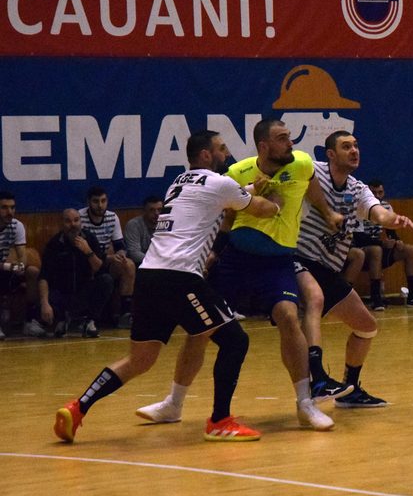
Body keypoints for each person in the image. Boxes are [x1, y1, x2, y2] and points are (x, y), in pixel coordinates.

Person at [53, 130, 281, 443]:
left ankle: (78, 407)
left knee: (140, 360)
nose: (227, 154)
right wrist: (277, 202)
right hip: (180, 277)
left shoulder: (178, 183)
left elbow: (224, 197)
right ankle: (220, 421)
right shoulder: (220, 184)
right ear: (205, 155)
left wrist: (253, 187)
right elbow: (257, 208)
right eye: (221, 148)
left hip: (149, 276)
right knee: (235, 341)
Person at [135, 119, 339, 431]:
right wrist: (214, 252)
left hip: (276, 262)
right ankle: (173, 403)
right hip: (237, 260)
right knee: (200, 329)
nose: (290, 143)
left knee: (288, 317)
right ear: (264, 146)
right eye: (282, 138)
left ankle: (305, 404)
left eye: (289, 136)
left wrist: (328, 212)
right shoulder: (237, 172)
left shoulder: (301, 163)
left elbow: (312, 183)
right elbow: (224, 214)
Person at [295, 131, 413, 407]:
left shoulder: (357, 188)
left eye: (355, 146)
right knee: (313, 304)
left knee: (367, 326)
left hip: (328, 269)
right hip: (299, 259)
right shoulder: (312, 172)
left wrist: (393, 219)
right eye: (346, 147)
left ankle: (350, 389)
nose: (354, 151)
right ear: (330, 154)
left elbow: (378, 213)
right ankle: (317, 381)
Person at [345, 180, 413, 310]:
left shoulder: (386, 207)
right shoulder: (360, 207)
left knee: (409, 250)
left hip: (378, 247)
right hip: (362, 248)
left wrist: (396, 241)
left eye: (380, 192)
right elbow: (358, 238)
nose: (377, 195)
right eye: (373, 192)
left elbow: (391, 231)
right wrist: (382, 243)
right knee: (376, 250)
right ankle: (376, 298)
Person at [37, 209, 113, 338]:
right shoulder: (54, 244)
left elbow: (99, 268)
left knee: (106, 280)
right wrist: (44, 303)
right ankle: (62, 319)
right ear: (61, 224)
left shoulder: (90, 238)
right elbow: (43, 276)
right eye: (68, 221)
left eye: (76, 220)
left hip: (83, 292)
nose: (73, 224)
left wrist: (88, 251)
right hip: (61, 294)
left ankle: (90, 322)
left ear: (81, 222)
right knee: (47, 293)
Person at [79, 186, 136, 328]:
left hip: (106, 261)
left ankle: (125, 314)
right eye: (96, 201)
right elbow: (79, 249)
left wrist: (121, 255)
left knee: (128, 264)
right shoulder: (79, 218)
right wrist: (108, 257)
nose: (100, 205)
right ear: (88, 202)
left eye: (103, 201)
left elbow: (120, 245)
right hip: (85, 262)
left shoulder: (112, 217)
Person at [0, 191, 40, 339]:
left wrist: (20, 266)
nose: (9, 212)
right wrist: (8, 266)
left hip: (9, 269)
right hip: (4, 268)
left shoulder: (17, 226)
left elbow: (22, 254)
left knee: (33, 271)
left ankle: (29, 321)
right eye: (4, 207)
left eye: (12, 207)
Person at [124, 195, 163, 266]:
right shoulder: (134, 225)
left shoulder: (166, 224)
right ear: (144, 211)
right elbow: (134, 253)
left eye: (159, 210)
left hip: (162, 264)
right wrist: (157, 262)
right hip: (141, 265)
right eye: (152, 210)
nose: (156, 213)